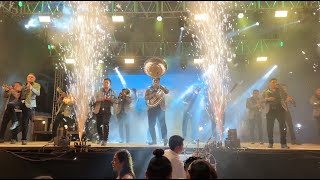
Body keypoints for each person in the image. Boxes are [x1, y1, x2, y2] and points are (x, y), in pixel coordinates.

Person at [13, 73, 41, 145]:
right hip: (20, 102)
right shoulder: (24, 85)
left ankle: (24, 139)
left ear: (34, 79)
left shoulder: (36, 85)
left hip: (28, 104)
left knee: (25, 122)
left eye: (32, 77)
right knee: (11, 110)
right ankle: (13, 137)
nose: (30, 78)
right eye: (29, 77)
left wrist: (31, 87)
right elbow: (19, 95)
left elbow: (38, 93)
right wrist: (16, 91)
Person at [262, 78, 289, 149]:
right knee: (270, 127)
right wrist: (267, 99)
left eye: (276, 82)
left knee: (283, 127)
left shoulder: (280, 90)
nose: (275, 83)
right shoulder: (265, 91)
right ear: (269, 83)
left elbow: (285, 96)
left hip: (280, 110)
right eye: (273, 82)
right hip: (270, 111)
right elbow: (261, 100)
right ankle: (270, 143)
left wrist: (280, 88)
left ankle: (283, 143)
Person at [145, 78, 169, 145]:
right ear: (152, 82)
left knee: (162, 124)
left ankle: (164, 139)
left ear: (159, 81)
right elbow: (145, 98)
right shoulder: (149, 89)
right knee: (151, 125)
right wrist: (153, 94)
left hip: (160, 108)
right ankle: (154, 140)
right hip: (151, 108)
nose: (156, 82)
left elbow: (167, 91)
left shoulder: (162, 88)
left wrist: (161, 87)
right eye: (154, 81)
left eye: (157, 81)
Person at [93, 78, 117, 146]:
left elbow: (116, 101)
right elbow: (94, 99)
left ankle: (105, 139)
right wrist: (102, 98)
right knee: (99, 125)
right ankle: (100, 138)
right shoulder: (98, 91)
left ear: (110, 84)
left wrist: (110, 99)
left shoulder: (113, 92)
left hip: (108, 110)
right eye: (104, 82)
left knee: (106, 124)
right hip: (99, 109)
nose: (105, 84)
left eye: (107, 82)